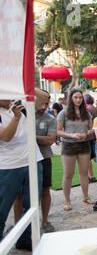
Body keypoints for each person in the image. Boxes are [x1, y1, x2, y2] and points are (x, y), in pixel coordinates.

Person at [0, 92, 44, 251]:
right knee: (2, 208)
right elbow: (5, 136)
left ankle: (24, 239)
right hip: (8, 166)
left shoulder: (19, 105)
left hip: (33, 161)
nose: (7, 97)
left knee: (31, 204)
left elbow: (43, 98)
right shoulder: (15, 112)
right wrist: (16, 117)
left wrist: (23, 86)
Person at [14, 89, 57, 233]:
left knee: (45, 189)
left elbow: (50, 140)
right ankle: (18, 224)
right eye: (42, 102)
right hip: (22, 158)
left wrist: (30, 136)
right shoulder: (22, 113)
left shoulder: (49, 118)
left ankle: (45, 220)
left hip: (43, 157)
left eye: (47, 103)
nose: (44, 106)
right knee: (19, 193)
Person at [57, 88, 96, 211]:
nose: (78, 100)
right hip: (68, 145)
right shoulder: (63, 113)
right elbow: (58, 131)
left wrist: (86, 134)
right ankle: (67, 199)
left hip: (84, 145)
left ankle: (85, 196)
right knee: (68, 174)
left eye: (80, 97)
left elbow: (92, 129)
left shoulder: (87, 113)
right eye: (76, 97)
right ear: (71, 98)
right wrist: (72, 135)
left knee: (84, 173)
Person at [84, 93, 97, 183]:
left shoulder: (87, 110)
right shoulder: (96, 109)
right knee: (94, 156)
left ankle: (91, 175)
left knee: (90, 157)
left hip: (90, 136)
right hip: (96, 135)